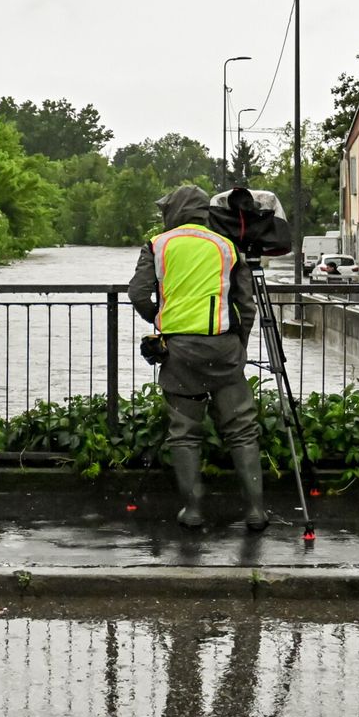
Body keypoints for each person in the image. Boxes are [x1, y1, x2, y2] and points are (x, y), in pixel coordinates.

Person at [128, 185, 267, 531]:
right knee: (241, 430)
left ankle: (192, 511)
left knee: (185, 433)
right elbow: (246, 305)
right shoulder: (226, 246)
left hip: (179, 352)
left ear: (174, 211)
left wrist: (159, 318)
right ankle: (255, 511)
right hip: (223, 348)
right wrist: (240, 343)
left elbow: (136, 292)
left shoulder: (158, 245)